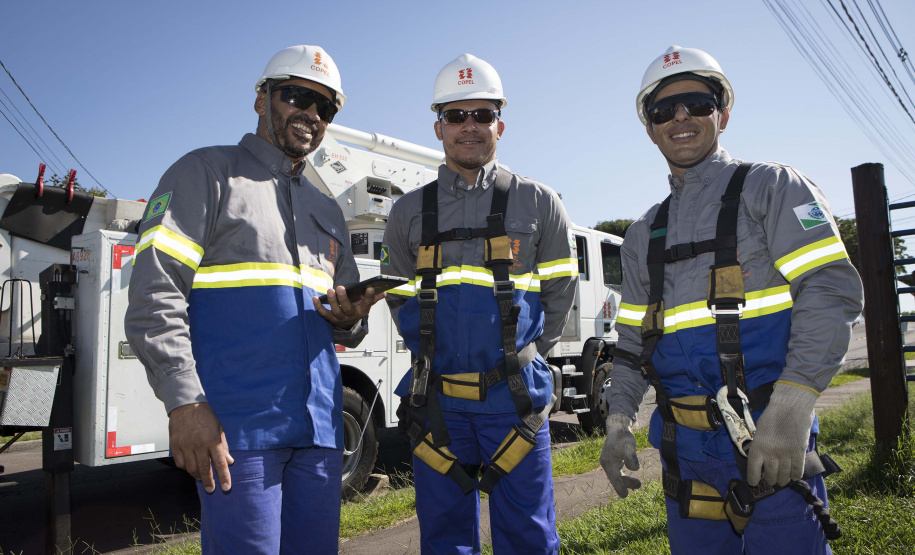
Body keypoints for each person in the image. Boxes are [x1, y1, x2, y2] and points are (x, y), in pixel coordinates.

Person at [599, 45, 864, 554]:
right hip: (686, 457)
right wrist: (616, 420)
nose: (680, 118)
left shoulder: (773, 188)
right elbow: (632, 343)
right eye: (662, 110)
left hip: (770, 441)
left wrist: (792, 406)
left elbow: (830, 290)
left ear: (723, 111)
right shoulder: (641, 236)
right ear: (649, 126)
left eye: (697, 103)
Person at [125, 45, 382, 555]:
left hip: (321, 431)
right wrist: (186, 403)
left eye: (325, 107)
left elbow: (344, 323)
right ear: (261, 98)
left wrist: (350, 318)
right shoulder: (205, 174)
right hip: (238, 433)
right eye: (297, 96)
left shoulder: (328, 210)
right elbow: (155, 295)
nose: (310, 114)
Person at [382, 53, 578, 554]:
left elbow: (559, 297)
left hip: (513, 402)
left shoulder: (539, 203)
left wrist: (521, 359)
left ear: (500, 124)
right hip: (438, 404)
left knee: (529, 535)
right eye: (456, 116)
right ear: (438, 127)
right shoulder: (407, 213)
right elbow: (401, 302)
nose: (469, 126)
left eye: (482, 115)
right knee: (444, 539)